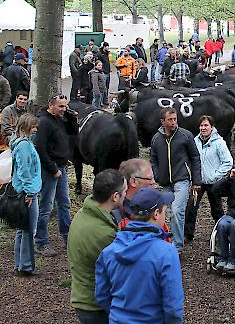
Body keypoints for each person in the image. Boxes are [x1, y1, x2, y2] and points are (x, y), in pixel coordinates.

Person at [95, 188, 184, 323]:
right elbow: (173, 308)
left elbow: (102, 296)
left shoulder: (108, 252)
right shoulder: (167, 252)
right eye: (165, 210)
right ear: (156, 213)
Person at [68, 170, 126, 324]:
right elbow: (121, 273)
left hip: (83, 297)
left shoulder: (83, 213)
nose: (126, 195)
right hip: (95, 307)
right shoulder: (104, 234)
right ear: (115, 196)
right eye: (124, 192)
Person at [150, 107, 201, 252]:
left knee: (177, 210)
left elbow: (195, 157)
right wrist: (157, 174)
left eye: (175, 119)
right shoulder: (156, 139)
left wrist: (196, 181)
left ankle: (177, 246)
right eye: (170, 120)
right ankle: (171, 241)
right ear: (162, 122)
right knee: (169, 212)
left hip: (182, 179)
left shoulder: (186, 135)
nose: (173, 122)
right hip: (165, 182)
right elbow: (153, 159)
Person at [34, 94, 78, 257]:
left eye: (65, 106)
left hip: (61, 167)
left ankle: (68, 237)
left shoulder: (61, 119)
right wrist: (53, 169)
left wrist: (73, 119)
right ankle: (41, 242)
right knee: (46, 206)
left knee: (64, 204)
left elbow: (74, 133)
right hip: (50, 170)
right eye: (61, 106)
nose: (64, 109)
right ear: (50, 106)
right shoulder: (44, 122)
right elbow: (40, 149)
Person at [184, 115, 233, 242]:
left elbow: (228, 162)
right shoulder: (195, 142)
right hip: (198, 183)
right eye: (201, 125)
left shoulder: (219, 143)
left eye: (206, 125)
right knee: (191, 207)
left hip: (214, 183)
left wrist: (216, 176)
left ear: (212, 127)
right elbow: (190, 160)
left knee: (216, 209)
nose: (203, 128)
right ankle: (188, 234)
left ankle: (223, 233)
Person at [11, 113, 41, 276]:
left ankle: (20, 264)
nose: (36, 129)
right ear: (24, 127)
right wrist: (29, 192)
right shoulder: (23, 146)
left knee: (22, 229)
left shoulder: (23, 143)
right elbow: (25, 171)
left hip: (23, 192)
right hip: (27, 193)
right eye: (33, 127)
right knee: (29, 229)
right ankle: (26, 266)